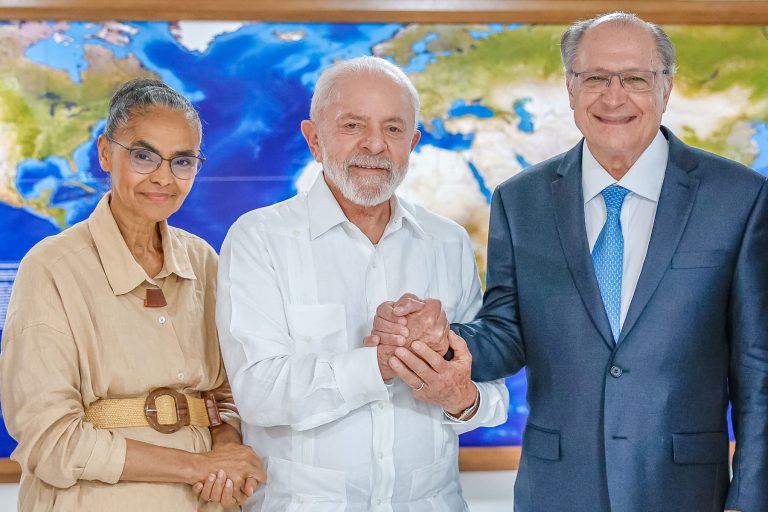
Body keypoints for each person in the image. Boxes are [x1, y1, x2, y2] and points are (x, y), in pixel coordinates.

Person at [369, 12, 768, 512]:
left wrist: (750, 499)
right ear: (570, 88)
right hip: (555, 491)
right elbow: (506, 333)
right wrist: (442, 338)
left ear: (666, 89)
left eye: (636, 79)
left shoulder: (738, 197)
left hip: (687, 492)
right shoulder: (520, 200)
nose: (614, 96)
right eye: (595, 78)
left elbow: (758, 368)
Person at [216, 56, 508, 511]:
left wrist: (460, 395)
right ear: (314, 139)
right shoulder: (259, 239)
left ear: (412, 144)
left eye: (393, 130)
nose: (375, 144)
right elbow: (259, 393)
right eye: (353, 125)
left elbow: (490, 394)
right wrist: (381, 363)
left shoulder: (447, 241)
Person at [0, 78, 266, 511]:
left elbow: (227, 394)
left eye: (182, 161)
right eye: (144, 156)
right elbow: (50, 440)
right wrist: (196, 467)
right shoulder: (50, 268)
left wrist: (226, 447)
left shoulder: (203, 261)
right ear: (106, 151)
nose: (163, 177)